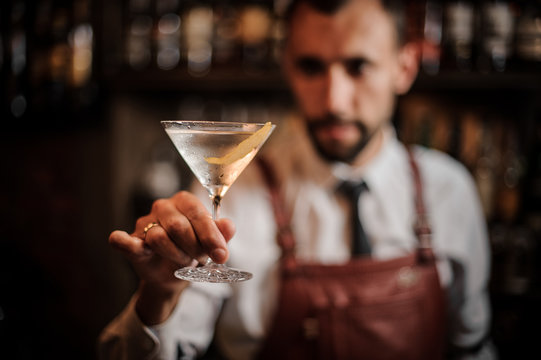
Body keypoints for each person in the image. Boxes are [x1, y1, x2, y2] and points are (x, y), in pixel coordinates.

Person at [99, 0, 495, 359]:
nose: (334, 100)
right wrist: (160, 294)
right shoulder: (235, 192)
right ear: (288, 66)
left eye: (358, 67)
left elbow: (472, 347)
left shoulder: (449, 190)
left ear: (404, 68)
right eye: (311, 66)